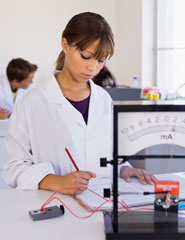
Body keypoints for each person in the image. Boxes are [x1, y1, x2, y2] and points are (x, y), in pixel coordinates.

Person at [3, 12, 156, 195]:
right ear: (65, 45)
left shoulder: (104, 99)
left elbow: (109, 154)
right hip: (55, 208)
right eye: (85, 56)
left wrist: (123, 169)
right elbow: (13, 168)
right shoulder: (31, 103)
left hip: (102, 204)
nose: (92, 68)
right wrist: (56, 181)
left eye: (101, 61)